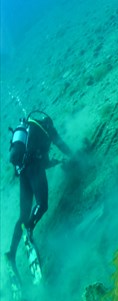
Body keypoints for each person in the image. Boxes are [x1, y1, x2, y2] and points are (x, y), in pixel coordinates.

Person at [6, 111, 73, 279]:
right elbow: (60, 145)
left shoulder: (30, 132)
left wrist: (56, 163)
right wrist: (74, 155)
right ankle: (29, 229)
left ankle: (11, 254)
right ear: (49, 124)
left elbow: (42, 160)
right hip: (34, 170)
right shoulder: (46, 131)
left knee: (23, 215)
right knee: (42, 204)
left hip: (23, 172)